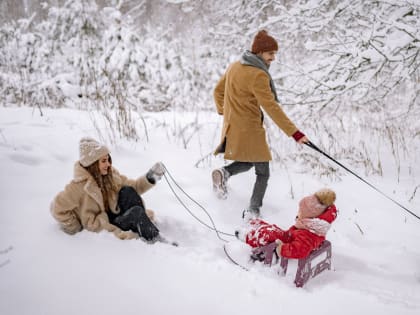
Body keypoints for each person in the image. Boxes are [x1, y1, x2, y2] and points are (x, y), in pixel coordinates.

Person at [211, 29, 308, 219]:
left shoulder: (235, 66)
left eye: (275, 54)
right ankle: (253, 211)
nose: (273, 58)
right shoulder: (258, 75)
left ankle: (224, 173)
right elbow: (271, 107)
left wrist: (226, 112)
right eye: (270, 53)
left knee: (248, 161)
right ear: (259, 52)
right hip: (250, 128)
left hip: (234, 125)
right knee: (263, 171)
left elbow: (217, 91)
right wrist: (295, 133)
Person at [50, 137, 164, 242]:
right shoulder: (79, 187)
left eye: (108, 160)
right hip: (104, 225)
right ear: (92, 164)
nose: (108, 164)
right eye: (103, 161)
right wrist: (75, 228)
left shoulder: (110, 175)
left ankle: (142, 225)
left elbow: (134, 187)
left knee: (127, 191)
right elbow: (57, 208)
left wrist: (151, 176)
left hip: (115, 214)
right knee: (137, 213)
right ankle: (156, 240)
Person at [235, 188, 338, 259]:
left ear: (310, 217)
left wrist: (282, 249)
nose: (298, 214)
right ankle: (252, 223)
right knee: (272, 228)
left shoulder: (308, 235)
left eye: (301, 212)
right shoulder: (311, 226)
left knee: (268, 234)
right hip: (289, 238)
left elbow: (300, 250)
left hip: (285, 243)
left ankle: (246, 236)